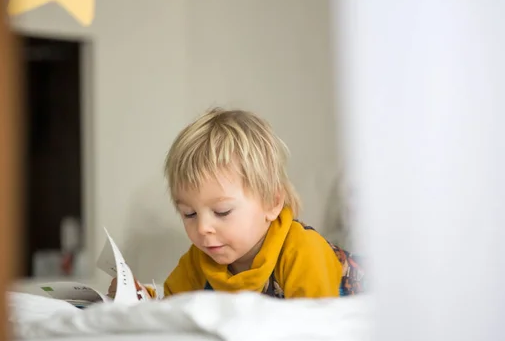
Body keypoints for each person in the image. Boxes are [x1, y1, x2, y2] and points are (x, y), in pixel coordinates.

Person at [108, 108, 364, 300]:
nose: (203, 227)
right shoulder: (200, 260)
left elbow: (315, 330)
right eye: (189, 214)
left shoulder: (302, 252)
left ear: (273, 202)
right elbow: (170, 308)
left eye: (222, 211)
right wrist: (136, 294)